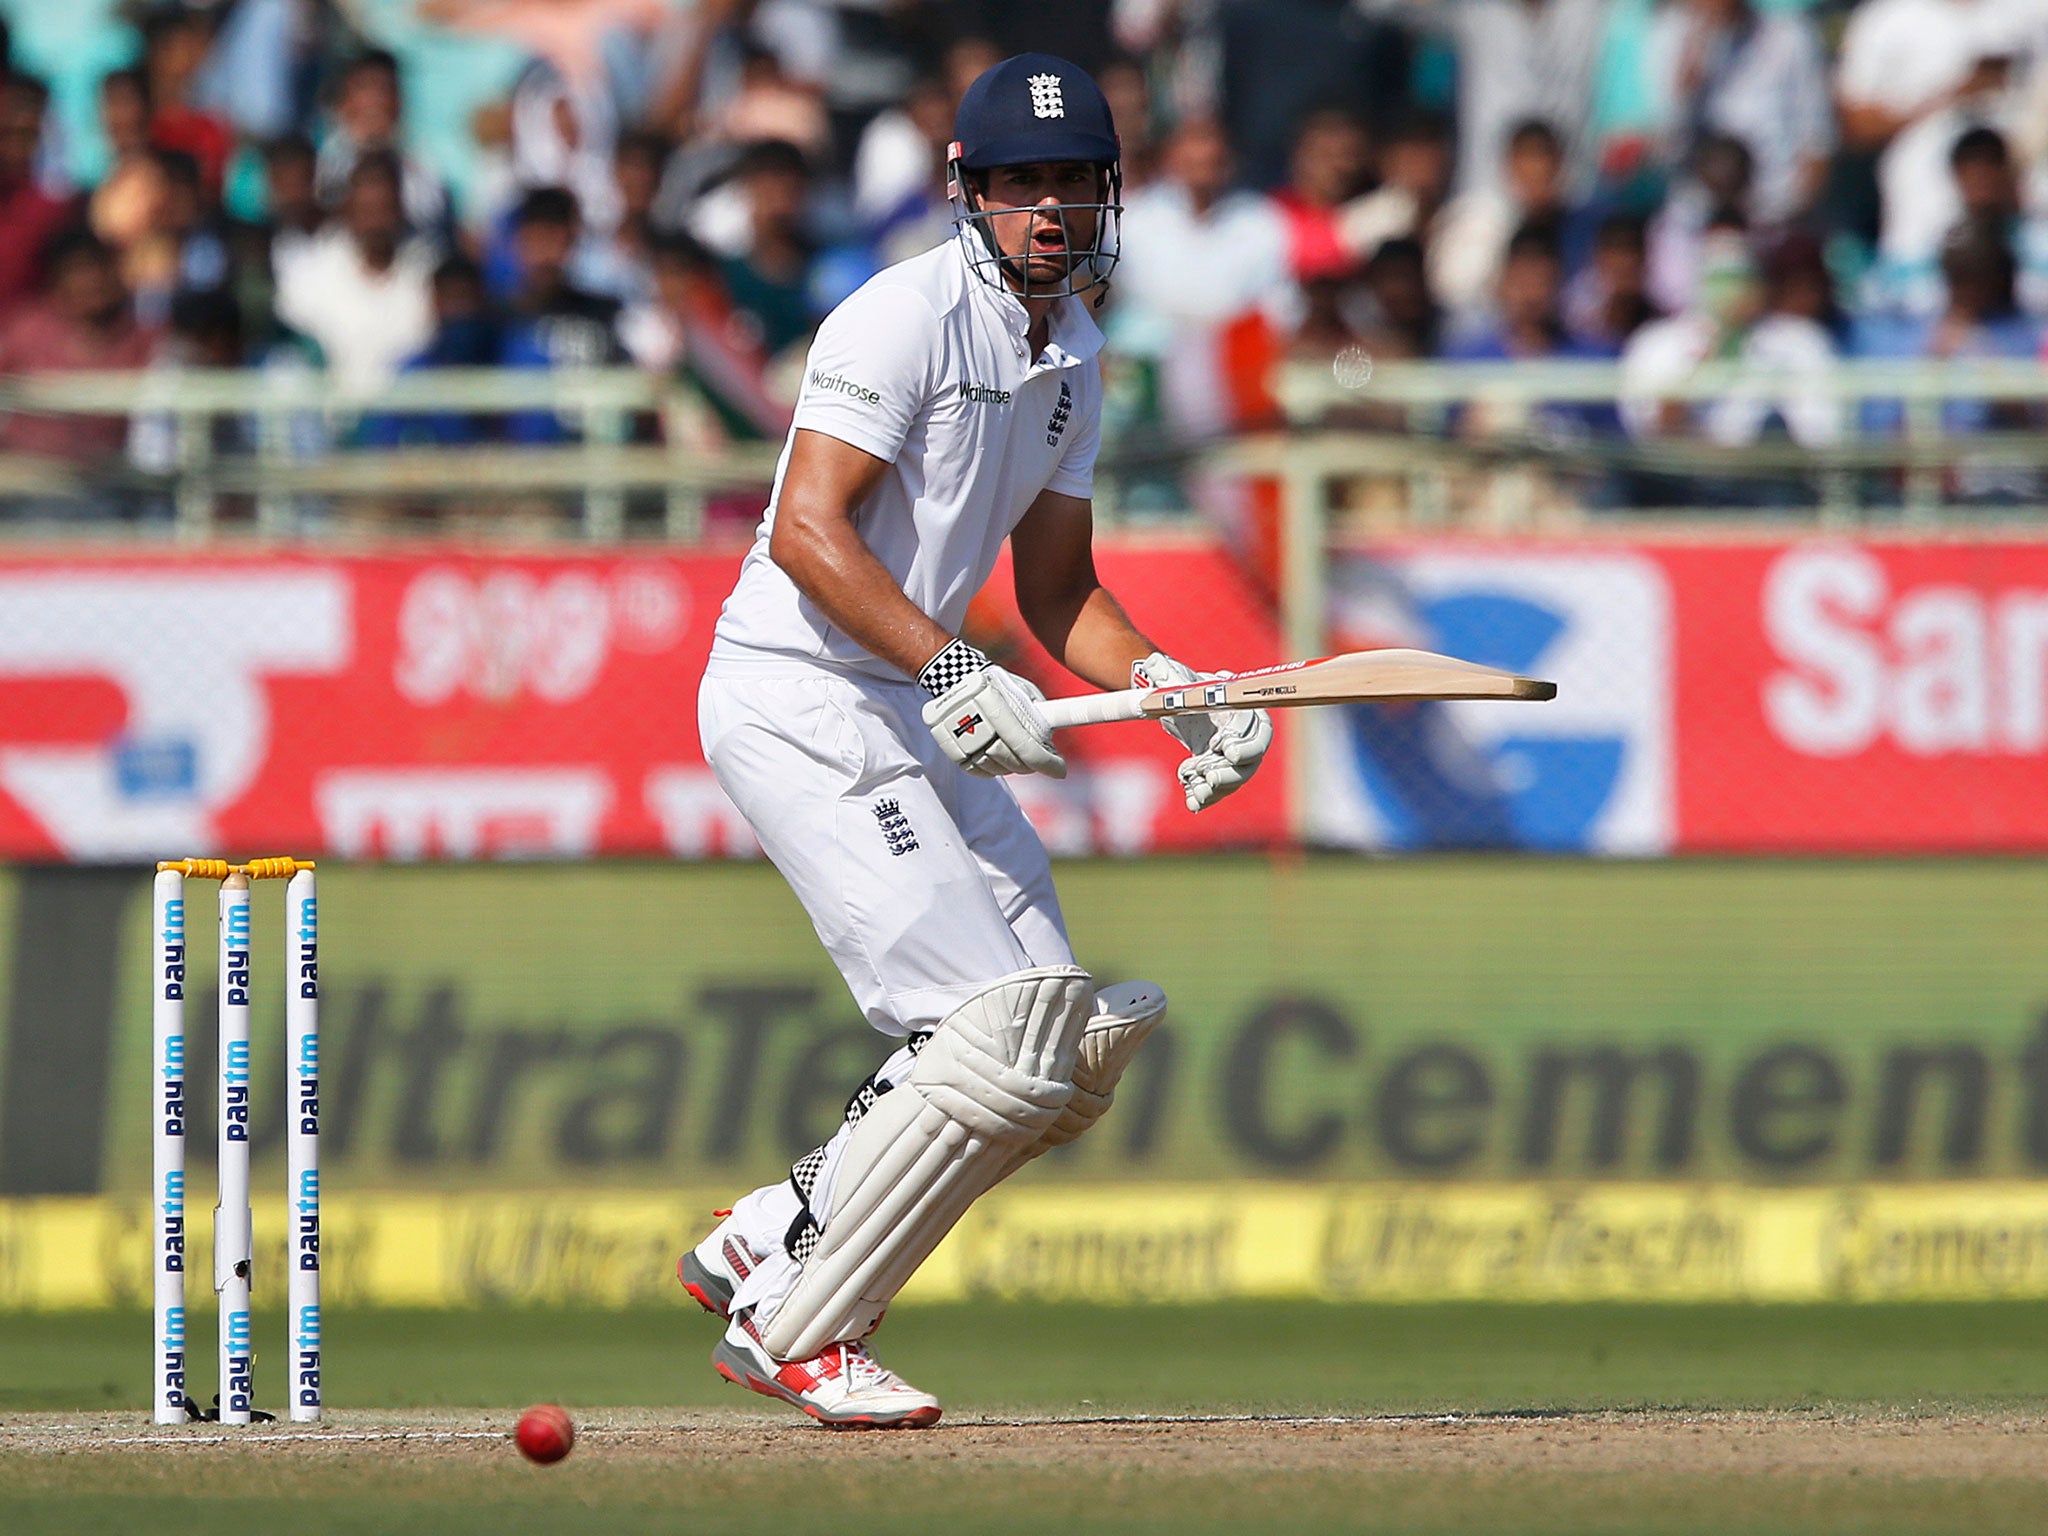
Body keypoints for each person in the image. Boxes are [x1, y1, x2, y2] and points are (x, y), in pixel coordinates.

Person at [679, 54, 1272, 1427]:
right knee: (984, 1030)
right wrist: (949, 660)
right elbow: (805, 531)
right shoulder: (902, 317)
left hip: (907, 699)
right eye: (1023, 183)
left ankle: (772, 1230)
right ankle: (800, 1321)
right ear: (971, 191)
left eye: (1074, 181)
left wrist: (1177, 687)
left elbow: (1061, 591)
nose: (1051, 208)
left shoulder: (1076, 353)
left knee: (1059, 1058)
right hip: (800, 692)